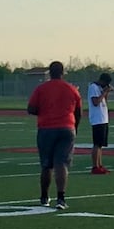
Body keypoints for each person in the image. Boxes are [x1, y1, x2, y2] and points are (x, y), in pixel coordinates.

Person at [27, 61, 82, 210]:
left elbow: (31, 108)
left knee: (46, 165)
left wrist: (45, 111)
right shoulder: (71, 89)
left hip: (46, 128)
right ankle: (61, 198)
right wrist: (74, 128)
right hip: (67, 128)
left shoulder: (41, 88)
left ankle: (44, 197)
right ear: (63, 73)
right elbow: (78, 112)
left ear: (49, 73)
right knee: (61, 164)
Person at [87, 72, 113, 175]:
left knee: (101, 144)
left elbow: (103, 101)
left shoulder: (99, 88)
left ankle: (100, 165)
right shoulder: (93, 87)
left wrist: (106, 93)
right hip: (97, 119)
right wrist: (104, 92)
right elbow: (95, 102)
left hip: (103, 118)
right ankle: (95, 166)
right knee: (97, 144)